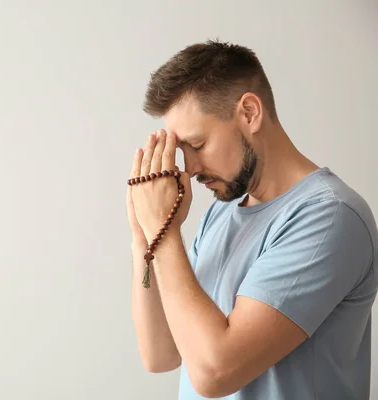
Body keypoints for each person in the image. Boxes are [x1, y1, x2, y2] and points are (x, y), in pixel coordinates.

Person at [127, 39, 378, 400]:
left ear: (249, 113)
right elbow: (161, 353)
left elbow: (216, 373)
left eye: (197, 145)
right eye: (182, 152)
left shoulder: (330, 217)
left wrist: (165, 239)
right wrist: (146, 233)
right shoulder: (221, 212)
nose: (191, 168)